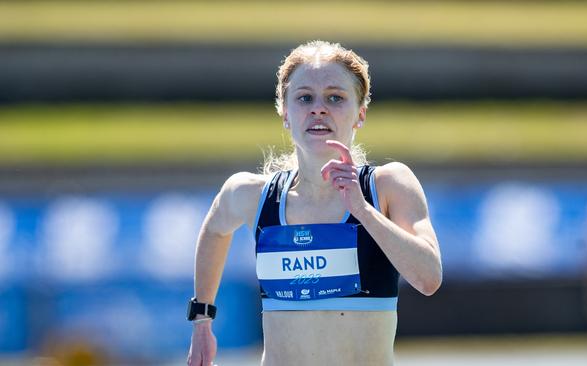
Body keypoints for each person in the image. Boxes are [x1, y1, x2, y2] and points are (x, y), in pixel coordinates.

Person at [186, 40, 442, 366]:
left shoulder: (388, 185)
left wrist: (362, 210)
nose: (318, 109)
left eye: (335, 98)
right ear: (285, 113)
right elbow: (215, 229)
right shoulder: (252, 195)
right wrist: (202, 320)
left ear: (360, 114)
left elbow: (428, 278)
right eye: (304, 98)